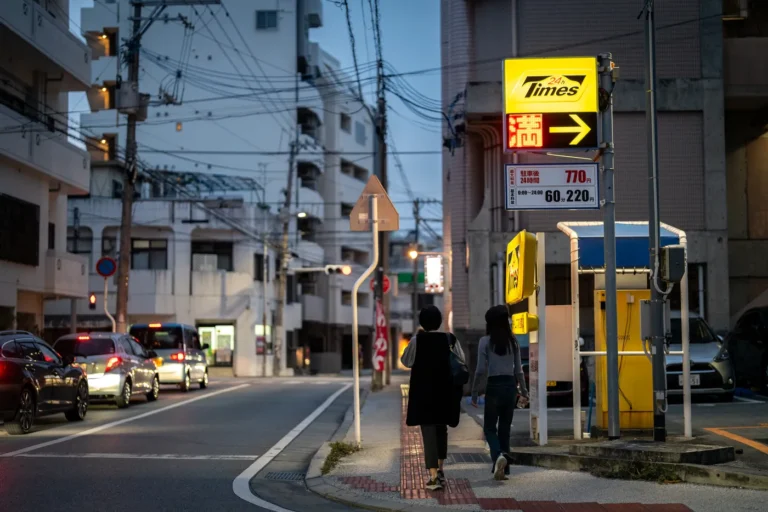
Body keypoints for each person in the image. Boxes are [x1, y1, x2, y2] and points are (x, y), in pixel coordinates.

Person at [401, 305, 465, 491]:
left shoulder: (417, 340)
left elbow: (406, 361)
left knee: (428, 432)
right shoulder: (449, 339)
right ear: (439, 321)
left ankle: (433, 475)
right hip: (445, 392)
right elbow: (461, 360)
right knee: (441, 429)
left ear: (422, 322)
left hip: (424, 394)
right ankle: (441, 469)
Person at [471, 304, 529, 481]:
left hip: (494, 386)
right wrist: (524, 392)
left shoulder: (485, 342)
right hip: (510, 386)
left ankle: (498, 456)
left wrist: (474, 391)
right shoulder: (514, 342)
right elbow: (519, 371)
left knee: (489, 428)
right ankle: (503, 470)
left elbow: (480, 369)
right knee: (504, 429)